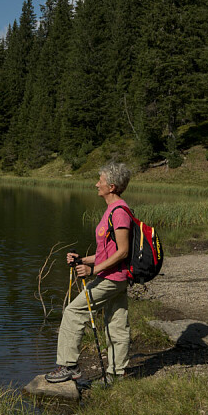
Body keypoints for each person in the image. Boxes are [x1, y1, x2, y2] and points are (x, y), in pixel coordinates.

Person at [45, 162, 133, 386]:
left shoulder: (120, 212)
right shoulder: (111, 211)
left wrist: (93, 270)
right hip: (114, 276)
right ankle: (116, 374)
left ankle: (69, 366)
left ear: (111, 186)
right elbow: (107, 252)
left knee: (73, 312)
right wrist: (83, 260)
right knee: (116, 323)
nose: (97, 184)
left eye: (100, 181)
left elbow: (123, 251)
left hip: (113, 278)